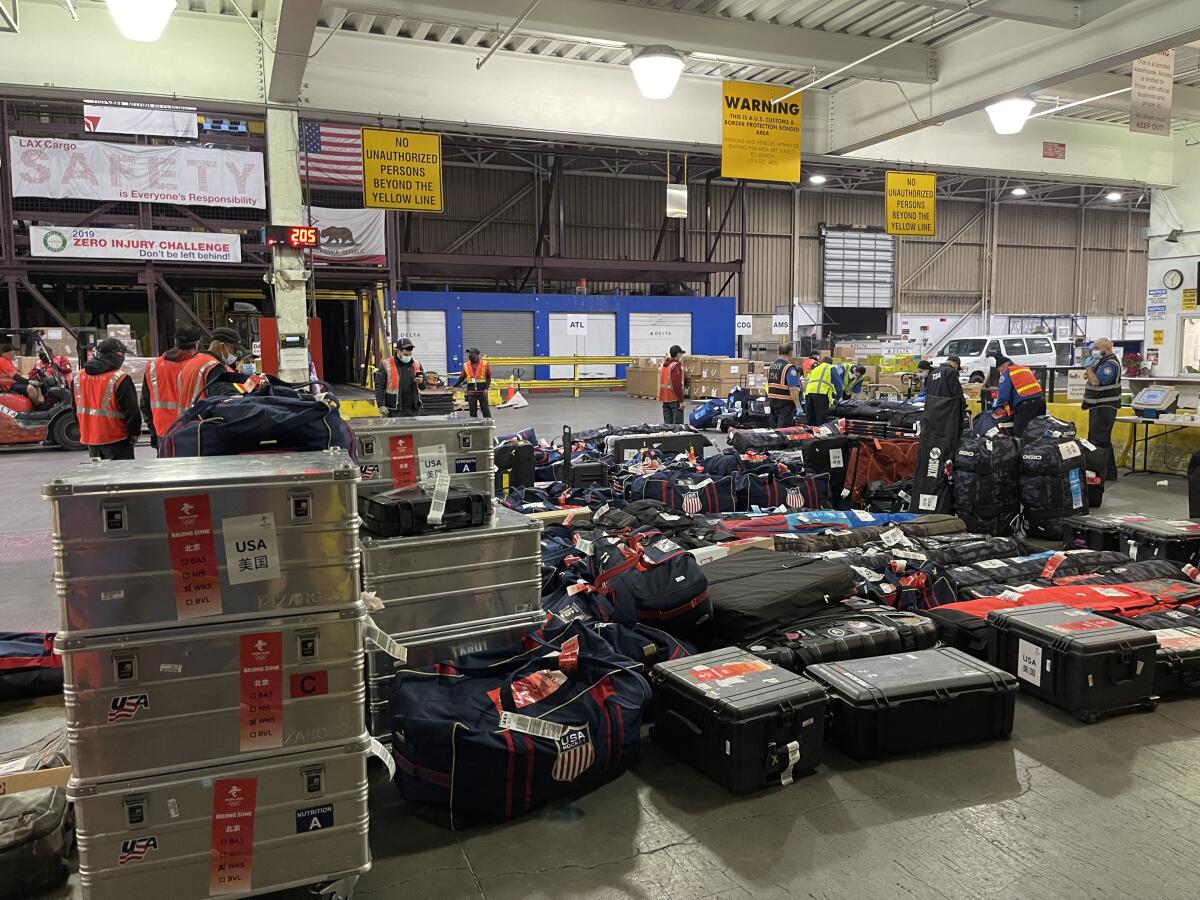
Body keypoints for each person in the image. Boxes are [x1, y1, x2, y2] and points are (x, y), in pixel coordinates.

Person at [74, 337, 141, 460]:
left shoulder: (79, 377)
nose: (123, 358)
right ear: (115, 355)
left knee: (99, 477)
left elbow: (75, 408)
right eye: (122, 354)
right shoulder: (120, 379)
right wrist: (134, 433)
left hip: (91, 439)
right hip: (117, 439)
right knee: (121, 477)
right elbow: (132, 412)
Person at [140, 325, 201, 448]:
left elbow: (145, 405)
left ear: (176, 342)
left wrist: (153, 432)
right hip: (193, 433)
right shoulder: (200, 367)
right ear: (196, 344)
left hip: (163, 433)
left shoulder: (153, 366)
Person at [1082, 337, 1121, 480]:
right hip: (1097, 406)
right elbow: (1088, 376)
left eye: (1097, 348)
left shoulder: (1111, 364)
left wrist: (1088, 367)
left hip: (1105, 407)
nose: (1094, 351)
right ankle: (1107, 471)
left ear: (1106, 349)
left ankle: (1107, 473)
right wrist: (1091, 367)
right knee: (1097, 439)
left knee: (1100, 441)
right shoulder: (1102, 362)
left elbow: (1095, 381)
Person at [176, 326, 242, 410]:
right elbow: (228, 396)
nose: (235, 354)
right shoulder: (213, 367)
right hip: (202, 421)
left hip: (187, 419)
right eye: (234, 349)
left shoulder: (192, 363)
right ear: (220, 345)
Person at [992, 354, 1046, 436]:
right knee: (1038, 430)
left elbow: (1003, 395)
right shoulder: (1025, 369)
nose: (1001, 371)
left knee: (1020, 433)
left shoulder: (1007, 372)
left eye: (1000, 369)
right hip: (1041, 402)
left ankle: (1024, 449)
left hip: (1026, 406)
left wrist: (997, 406)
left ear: (1004, 366)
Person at [375, 338, 424, 416]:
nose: (408, 357)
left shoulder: (417, 364)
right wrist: (380, 405)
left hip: (414, 408)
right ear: (398, 351)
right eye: (405, 355)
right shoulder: (386, 364)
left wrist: (421, 382)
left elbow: (423, 387)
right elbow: (379, 386)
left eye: (410, 354)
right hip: (394, 409)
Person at [765, 343, 802, 428]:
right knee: (784, 430)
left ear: (779, 352)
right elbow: (793, 389)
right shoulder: (789, 368)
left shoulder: (771, 366)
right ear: (790, 353)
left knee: (774, 430)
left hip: (772, 401)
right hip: (785, 404)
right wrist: (798, 405)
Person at [458, 347, 493, 419]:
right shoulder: (466, 365)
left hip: (482, 392)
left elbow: (489, 377)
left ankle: (488, 424)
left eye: (471, 353)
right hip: (471, 393)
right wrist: (453, 386)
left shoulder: (484, 364)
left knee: (485, 410)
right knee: (472, 412)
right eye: (469, 353)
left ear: (477, 354)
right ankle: (474, 426)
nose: (470, 355)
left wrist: (486, 388)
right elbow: (462, 377)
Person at [804, 356, 837, 426]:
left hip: (809, 394)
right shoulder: (830, 367)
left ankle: (811, 435)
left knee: (811, 418)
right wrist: (838, 397)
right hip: (821, 394)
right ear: (830, 363)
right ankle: (822, 435)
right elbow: (838, 383)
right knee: (822, 419)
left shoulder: (815, 369)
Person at [658, 345, 686, 425]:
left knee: (668, 426)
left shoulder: (665, 365)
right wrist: (681, 401)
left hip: (665, 398)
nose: (681, 356)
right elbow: (677, 385)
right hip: (674, 398)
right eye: (681, 353)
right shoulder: (675, 366)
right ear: (678, 354)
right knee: (677, 426)